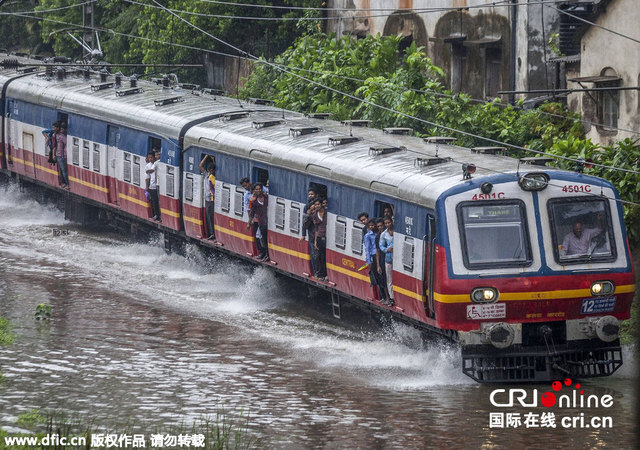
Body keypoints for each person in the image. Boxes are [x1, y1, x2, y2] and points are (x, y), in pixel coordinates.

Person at [364, 219, 388, 303]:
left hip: (380, 255)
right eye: (369, 226)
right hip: (374, 256)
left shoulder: (379, 234)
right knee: (378, 277)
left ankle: (385, 297)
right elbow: (367, 249)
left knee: (382, 276)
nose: (371, 227)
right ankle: (382, 296)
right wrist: (369, 261)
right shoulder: (368, 235)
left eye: (372, 225)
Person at [246, 183, 269, 261]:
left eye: (259, 189)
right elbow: (251, 213)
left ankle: (267, 254)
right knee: (263, 239)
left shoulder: (267, 197)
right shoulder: (254, 201)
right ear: (253, 191)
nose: (258, 190)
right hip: (262, 222)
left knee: (266, 238)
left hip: (269, 222)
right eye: (256, 189)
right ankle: (266, 254)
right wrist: (249, 223)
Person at [200, 155, 216, 241]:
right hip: (207, 199)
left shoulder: (213, 177)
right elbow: (201, 165)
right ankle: (211, 233)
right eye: (210, 170)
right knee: (208, 217)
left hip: (211, 199)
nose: (211, 171)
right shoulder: (206, 175)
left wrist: (213, 160)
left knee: (211, 217)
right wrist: (206, 156)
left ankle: (213, 233)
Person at [375, 218, 391, 304]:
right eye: (378, 226)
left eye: (381, 225)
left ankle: (389, 298)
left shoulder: (388, 235)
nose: (380, 227)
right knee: (384, 279)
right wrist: (378, 265)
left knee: (388, 279)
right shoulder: (378, 237)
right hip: (382, 258)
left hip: (389, 258)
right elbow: (377, 251)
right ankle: (387, 298)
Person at [379, 216, 395, 306]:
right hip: (388, 258)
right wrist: (387, 250)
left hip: (397, 259)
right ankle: (392, 298)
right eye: (386, 223)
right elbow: (381, 246)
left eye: (389, 222)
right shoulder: (384, 234)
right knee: (389, 279)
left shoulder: (398, 232)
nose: (388, 224)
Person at [312, 198, 328, 280]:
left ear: (321, 204)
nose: (317, 206)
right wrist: (315, 241)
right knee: (318, 256)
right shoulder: (315, 214)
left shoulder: (327, 213)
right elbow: (316, 228)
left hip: (326, 237)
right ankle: (320, 274)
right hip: (319, 237)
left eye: (318, 204)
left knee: (325, 256)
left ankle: (326, 273)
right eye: (315, 204)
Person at [146, 147, 161, 221]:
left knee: (157, 201)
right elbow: (147, 177)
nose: (150, 159)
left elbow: (150, 170)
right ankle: (156, 215)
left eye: (158, 155)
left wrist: (147, 171)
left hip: (157, 185)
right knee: (154, 201)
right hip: (152, 185)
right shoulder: (152, 164)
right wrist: (147, 187)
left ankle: (158, 215)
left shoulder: (157, 163)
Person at [55, 123, 69, 189]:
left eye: (62, 129)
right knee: (62, 170)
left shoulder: (62, 136)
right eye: (60, 129)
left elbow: (66, 145)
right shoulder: (57, 135)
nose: (61, 130)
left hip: (61, 155)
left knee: (63, 170)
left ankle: (66, 183)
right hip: (59, 155)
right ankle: (64, 183)